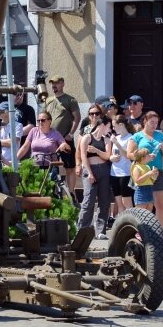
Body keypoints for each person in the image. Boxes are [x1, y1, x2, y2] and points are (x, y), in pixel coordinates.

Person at [127, 111, 163, 231]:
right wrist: (143, 156)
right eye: (152, 122)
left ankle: (161, 231)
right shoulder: (137, 136)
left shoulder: (160, 135)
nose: (154, 125)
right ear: (144, 122)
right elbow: (129, 154)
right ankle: (141, 231)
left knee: (160, 204)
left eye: (156, 122)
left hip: (158, 171)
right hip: (142, 172)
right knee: (143, 204)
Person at [76, 108, 114, 240]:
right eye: (109, 126)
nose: (110, 129)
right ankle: (82, 229)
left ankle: (100, 231)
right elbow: (83, 156)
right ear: (102, 125)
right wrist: (90, 173)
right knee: (88, 200)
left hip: (104, 169)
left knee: (104, 201)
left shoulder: (106, 140)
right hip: (90, 169)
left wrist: (97, 150)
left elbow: (107, 156)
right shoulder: (87, 137)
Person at [43, 75, 81, 194]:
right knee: (50, 168)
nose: (54, 85)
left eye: (56, 83)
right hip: (50, 140)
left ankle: (71, 194)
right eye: (52, 83)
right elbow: (43, 118)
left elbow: (77, 118)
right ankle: (52, 194)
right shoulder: (48, 100)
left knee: (70, 168)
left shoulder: (70, 100)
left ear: (62, 84)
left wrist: (70, 134)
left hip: (65, 140)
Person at [108, 115, 135, 216]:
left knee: (126, 201)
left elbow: (128, 155)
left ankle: (133, 223)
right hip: (114, 172)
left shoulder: (130, 138)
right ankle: (122, 225)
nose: (113, 128)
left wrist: (117, 143)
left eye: (114, 126)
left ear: (121, 125)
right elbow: (111, 154)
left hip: (125, 173)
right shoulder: (116, 137)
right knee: (119, 202)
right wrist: (111, 158)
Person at [0, 102, 24, 166]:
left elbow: (12, 143)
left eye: (1, 111)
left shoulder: (18, 125)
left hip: (11, 163)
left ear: (8, 112)